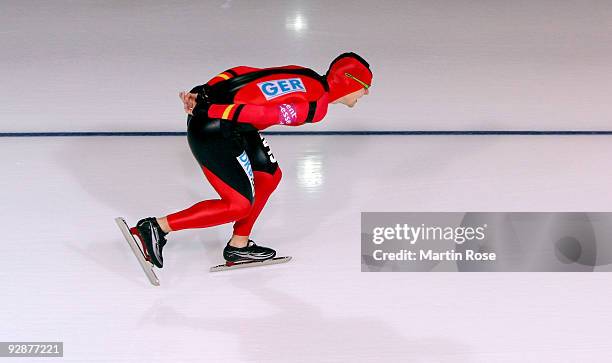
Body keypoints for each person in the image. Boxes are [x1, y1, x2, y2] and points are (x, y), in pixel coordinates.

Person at [129, 52, 373, 268]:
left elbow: (242, 72)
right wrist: (209, 109)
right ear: (349, 82)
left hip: (228, 120)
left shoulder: (305, 74)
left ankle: (239, 244)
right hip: (215, 127)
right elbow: (264, 113)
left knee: (268, 176)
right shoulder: (316, 106)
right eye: (365, 86)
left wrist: (204, 91)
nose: (367, 92)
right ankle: (157, 227)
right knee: (238, 205)